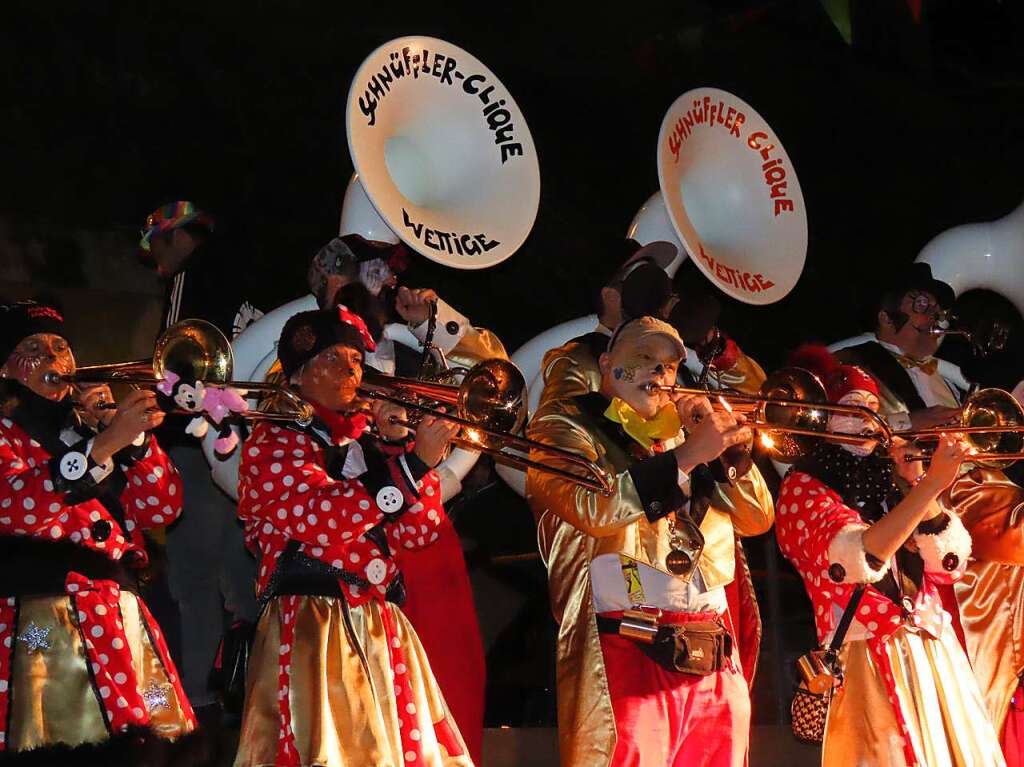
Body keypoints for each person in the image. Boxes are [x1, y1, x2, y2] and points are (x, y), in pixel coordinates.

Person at [526, 316, 774, 767]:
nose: (660, 375)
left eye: (671, 367)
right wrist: (688, 456)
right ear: (606, 362)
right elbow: (593, 510)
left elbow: (757, 518)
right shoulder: (564, 423)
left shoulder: (689, 435)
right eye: (643, 360)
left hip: (714, 656)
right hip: (630, 649)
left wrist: (731, 454)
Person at [233, 307, 473, 767]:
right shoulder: (275, 440)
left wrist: (401, 449)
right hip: (311, 623)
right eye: (332, 359)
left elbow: (420, 531)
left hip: (380, 622)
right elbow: (321, 519)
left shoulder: (367, 447)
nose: (352, 369)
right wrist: (410, 465)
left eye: (357, 360)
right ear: (299, 375)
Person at [303, 233, 503, 762]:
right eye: (373, 271)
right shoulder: (306, 352)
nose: (387, 283)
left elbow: (494, 377)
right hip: (345, 541)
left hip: (423, 527)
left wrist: (429, 319)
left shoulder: (418, 343)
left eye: (390, 273)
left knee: (450, 677)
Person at [776, 345, 1004, 766]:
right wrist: (928, 487)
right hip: (864, 655)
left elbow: (948, 563)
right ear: (824, 417)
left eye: (873, 407)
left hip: (933, 651)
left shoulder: (894, 480)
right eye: (851, 408)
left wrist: (918, 482)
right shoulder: (803, 486)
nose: (866, 419)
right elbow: (859, 559)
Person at [836, 262, 1024, 761]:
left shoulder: (956, 374)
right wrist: (910, 420)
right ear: (885, 317)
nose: (935, 316)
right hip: (928, 495)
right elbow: (838, 430)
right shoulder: (852, 361)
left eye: (938, 308)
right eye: (920, 306)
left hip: (970, 497)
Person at [0, 300, 197, 761]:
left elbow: (163, 506)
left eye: (61, 347)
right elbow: (14, 508)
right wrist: (103, 445)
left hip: (118, 621)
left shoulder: (87, 431)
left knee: (149, 742)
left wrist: (133, 440)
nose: (54, 358)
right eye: (33, 348)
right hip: (39, 626)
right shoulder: (6, 434)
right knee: (61, 745)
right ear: (6, 369)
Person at [138, 200, 261, 724]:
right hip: (246, 448)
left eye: (157, 248)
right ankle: (253, 694)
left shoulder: (190, 282)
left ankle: (194, 709)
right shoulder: (251, 279)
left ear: (178, 238)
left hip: (194, 447)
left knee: (192, 582)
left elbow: (170, 368)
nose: (157, 263)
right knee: (243, 579)